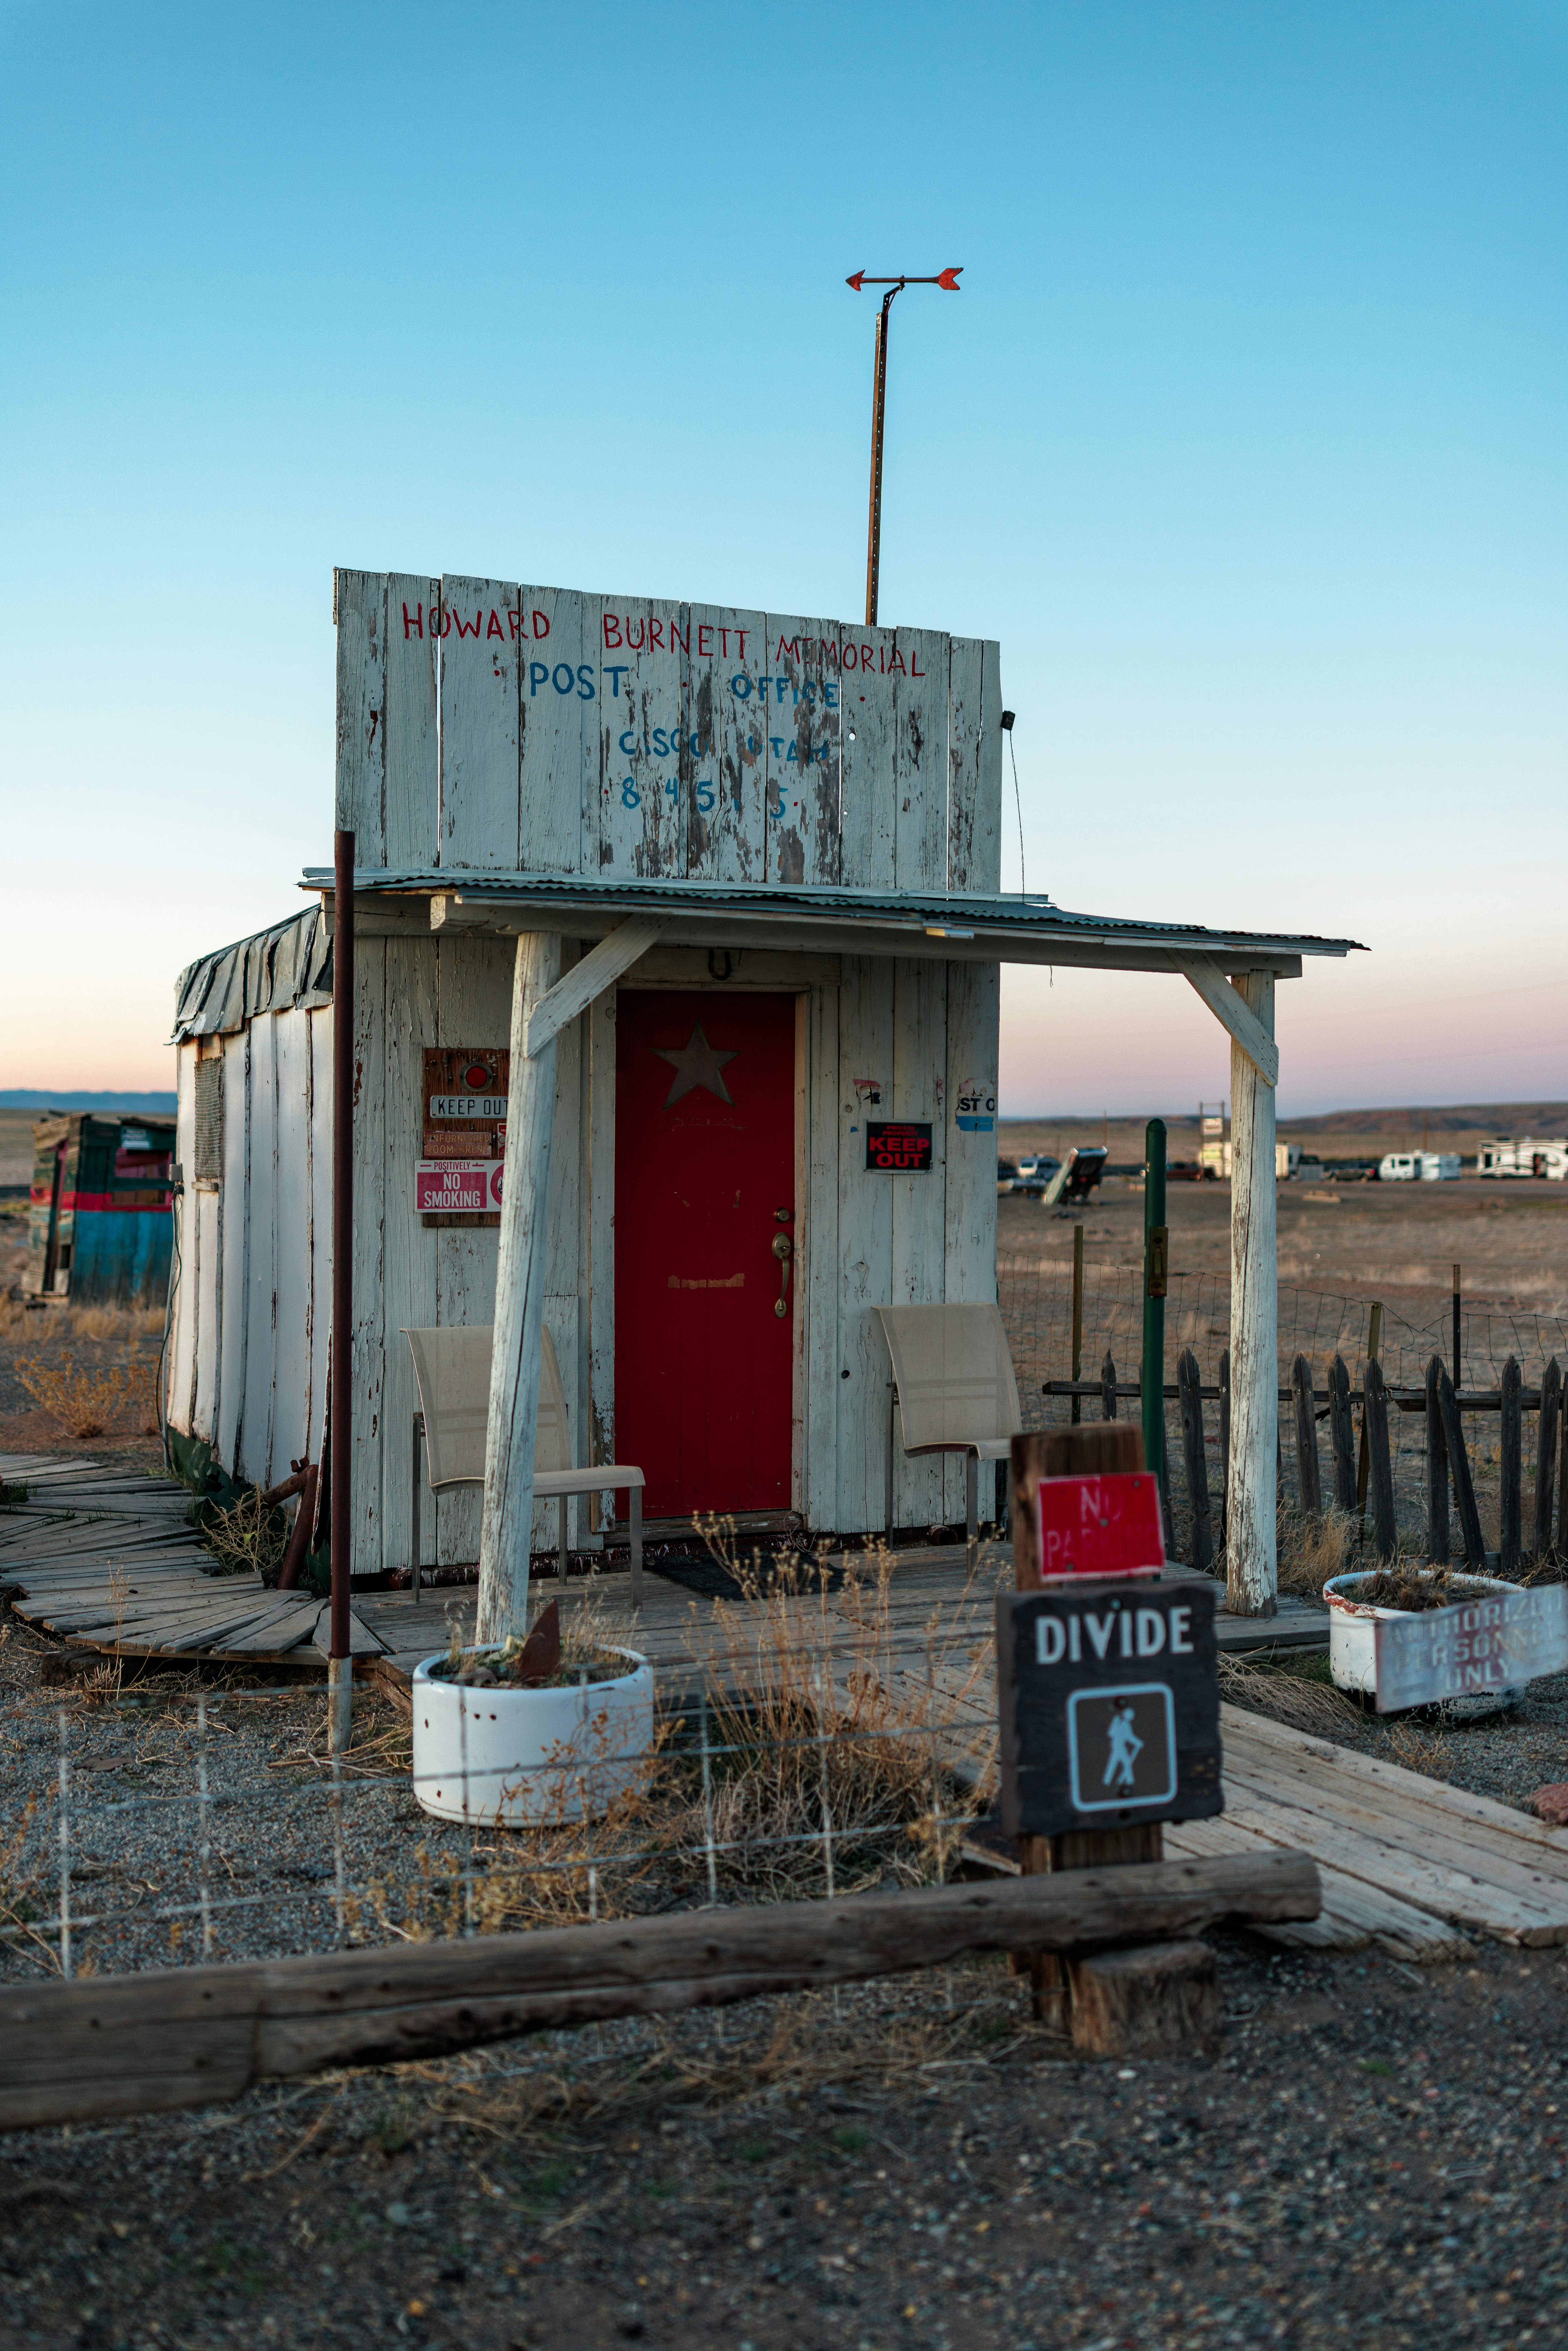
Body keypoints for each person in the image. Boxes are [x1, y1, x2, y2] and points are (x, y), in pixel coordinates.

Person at [1103, 1700, 1143, 1791]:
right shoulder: (1125, 1724)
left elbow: (1111, 1734)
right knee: (1126, 1763)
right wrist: (1138, 1742)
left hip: (1115, 1745)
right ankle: (1129, 1781)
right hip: (1119, 1746)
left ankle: (1108, 1781)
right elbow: (1130, 1737)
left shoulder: (1117, 1720)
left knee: (1115, 1762)